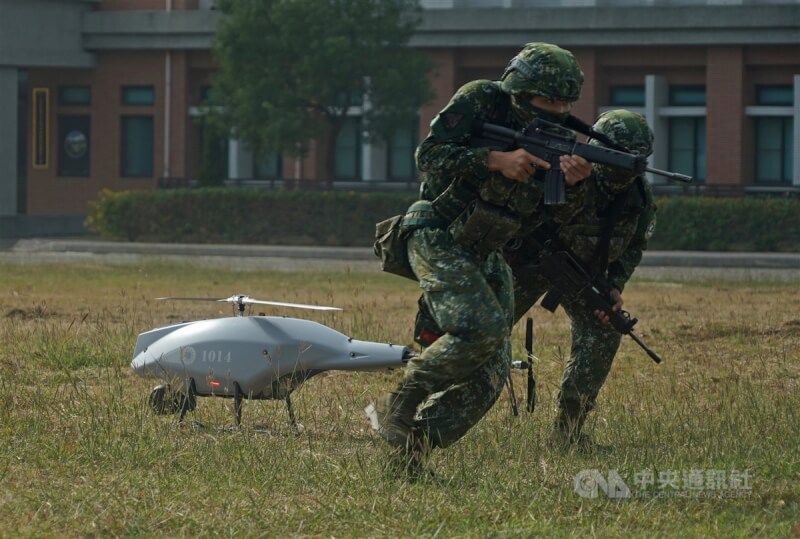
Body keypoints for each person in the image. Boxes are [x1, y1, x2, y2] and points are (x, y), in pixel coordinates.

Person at [368, 42, 591, 479]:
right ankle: (405, 397)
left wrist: (574, 184)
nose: (559, 110)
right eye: (550, 101)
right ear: (520, 91)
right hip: (437, 231)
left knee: (490, 376)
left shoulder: (560, 140)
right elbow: (428, 156)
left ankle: (410, 454)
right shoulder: (481, 99)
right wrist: (495, 159)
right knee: (480, 326)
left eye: (567, 103)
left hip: (488, 249)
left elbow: (553, 219)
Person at [413, 109, 658, 451]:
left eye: (633, 162)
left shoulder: (638, 198)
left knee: (605, 329)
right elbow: (520, 207)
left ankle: (569, 433)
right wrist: (569, 186)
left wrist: (614, 284)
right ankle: (418, 420)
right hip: (523, 264)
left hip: (578, 271)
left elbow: (633, 246)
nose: (622, 172)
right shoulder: (556, 168)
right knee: (479, 339)